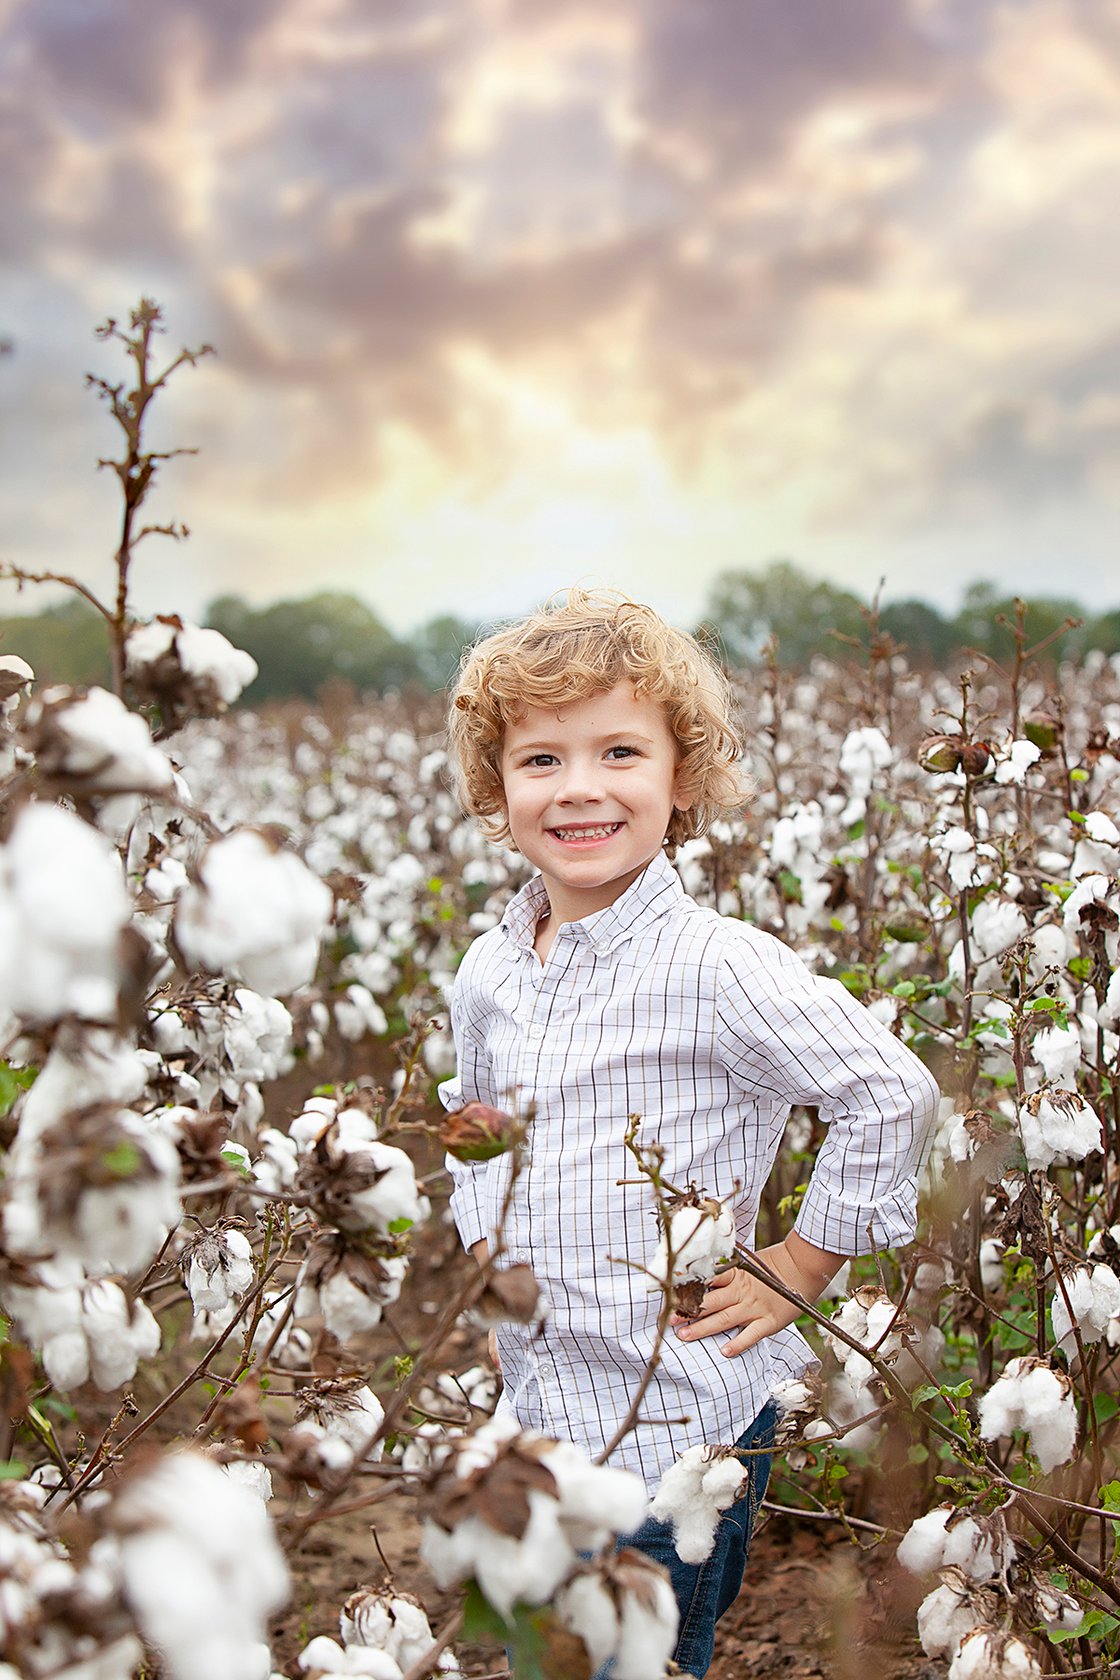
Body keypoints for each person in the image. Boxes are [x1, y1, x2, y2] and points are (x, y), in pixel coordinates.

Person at [439, 588, 940, 1678]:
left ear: (683, 780)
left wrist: (802, 1264)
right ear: (495, 788)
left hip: (680, 1426)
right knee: (555, 1650)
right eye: (539, 761)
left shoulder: (717, 965)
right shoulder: (488, 971)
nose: (580, 788)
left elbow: (888, 1092)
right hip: (543, 1408)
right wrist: (490, 1288)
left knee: (644, 1659)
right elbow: (481, 1138)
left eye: (620, 752)